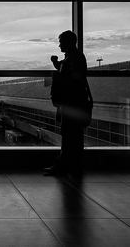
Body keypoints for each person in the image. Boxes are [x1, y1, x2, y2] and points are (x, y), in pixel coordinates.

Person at [45, 30, 88, 176]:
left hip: (72, 103)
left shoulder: (75, 57)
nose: (59, 45)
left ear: (69, 42)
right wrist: (57, 64)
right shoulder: (73, 56)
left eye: (61, 41)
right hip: (72, 102)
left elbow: (74, 75)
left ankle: (65, 165)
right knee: (70, 134)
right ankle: (70, 166)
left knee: (69, 134)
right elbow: (70, 73)